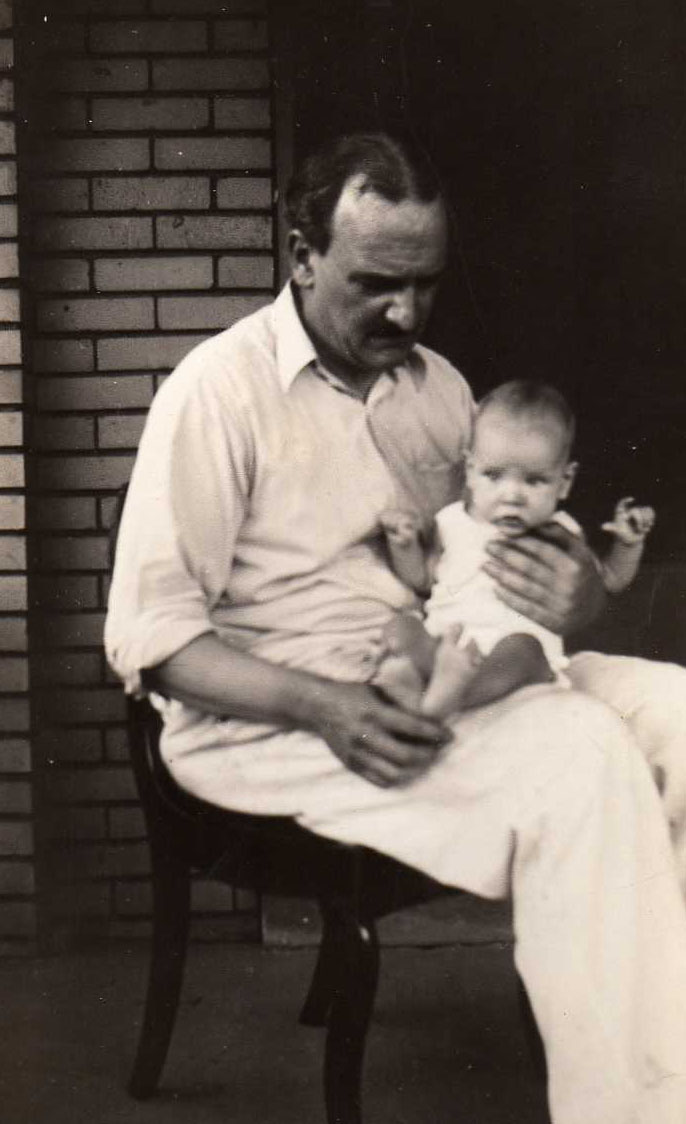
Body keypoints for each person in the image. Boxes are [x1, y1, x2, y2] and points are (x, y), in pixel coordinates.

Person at [106, 132, 686, 1124]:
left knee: (677, 713)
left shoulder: (440, 389)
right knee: (582, 754)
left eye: (425, 283)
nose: (406, 313)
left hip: (445, 672)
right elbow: (150, 639)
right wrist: (323, 704)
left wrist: (577, 602)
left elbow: (488, 563)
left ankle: (660, 1063)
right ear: (301, 256)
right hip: (274, 718)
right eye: (376, 283)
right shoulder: (218, 391)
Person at [376, 379, 656, 718]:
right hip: (448, 643)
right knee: (401, 629)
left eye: (534, 481)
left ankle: (453, 694)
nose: (512, 496)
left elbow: (611, 579)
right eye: (494, 476)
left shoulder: (561, 533)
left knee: (525, 647)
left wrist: (628, 543)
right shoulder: (452, 522)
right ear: (470, 472)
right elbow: (422, 578)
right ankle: (423, 687)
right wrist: (403, 544)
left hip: (517, 658)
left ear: (564, 482)